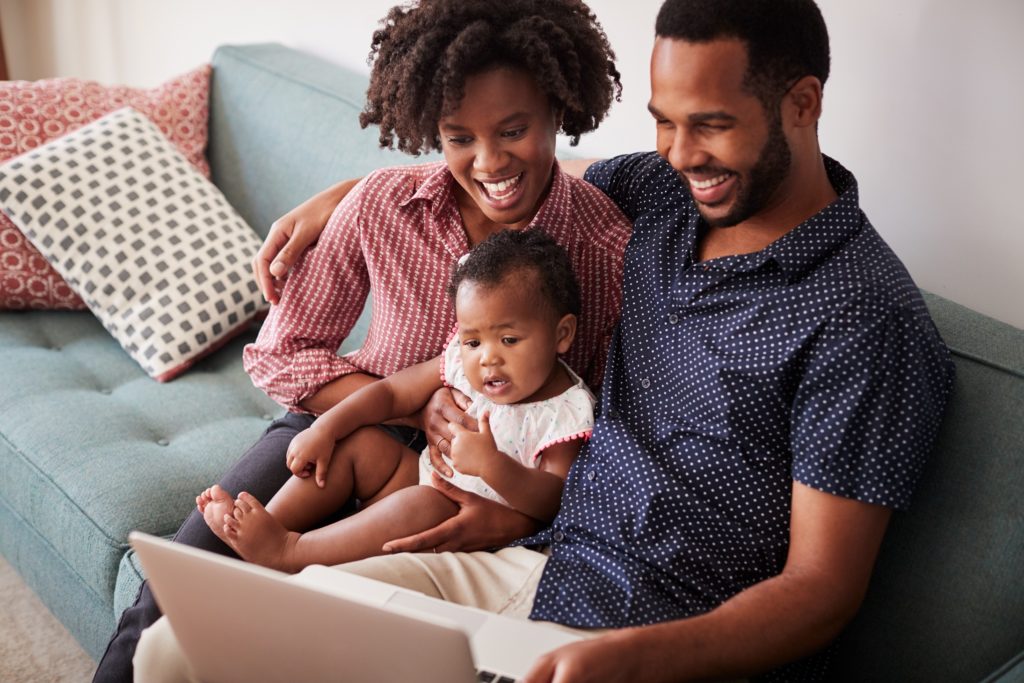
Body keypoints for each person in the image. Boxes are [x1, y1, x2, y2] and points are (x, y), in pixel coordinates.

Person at [134, 0, 957, 681]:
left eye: (709, 125)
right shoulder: (668, 196)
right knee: (177, 649)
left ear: (803, 104)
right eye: (663, 124)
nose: (677, 153)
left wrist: (632, 661)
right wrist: (356, 193)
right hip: (532, 561)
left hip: (663, 632)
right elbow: (524, 168)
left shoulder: (862, 318)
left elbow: (822, 589)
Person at [90, 1, 632, 679]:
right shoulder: (382, 205)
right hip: (343, 425)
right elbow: (284, 350)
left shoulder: (604, 245)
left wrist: (519, 510)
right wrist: (409, 404)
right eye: (459, 136)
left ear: (558, 108)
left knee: (321, 630)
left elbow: (611, 427)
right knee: (179, 580)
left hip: (492, 477)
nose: (489, 160)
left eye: (514, 130)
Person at [200, 230, 595, 571]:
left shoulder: (565, 411)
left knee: (426, 503)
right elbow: (391, 392)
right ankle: (264, 528)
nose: (487, 357)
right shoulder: (462, 360)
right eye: (473, 340)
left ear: (562, 334)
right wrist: (326, 428)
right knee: (362, 445)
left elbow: (552, 500)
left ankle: (288, 551)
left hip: (467, 522)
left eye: (509, 340)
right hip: (424, 478)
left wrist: (494, 466)